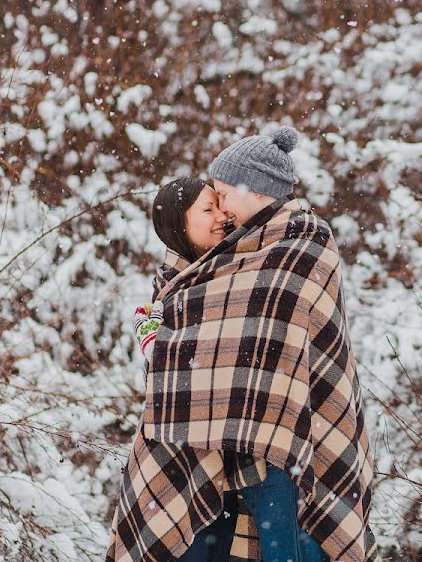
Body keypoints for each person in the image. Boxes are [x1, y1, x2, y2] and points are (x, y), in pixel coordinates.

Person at [107, 127, 376, 562]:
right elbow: (170, 355)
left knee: (286, 547)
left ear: (250, 188)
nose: (222, 212)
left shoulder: (298, 244)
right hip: (199, 445)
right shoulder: (178, 282)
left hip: (277, 436)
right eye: (208, 206)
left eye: (222, 197)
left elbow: (275, 335)